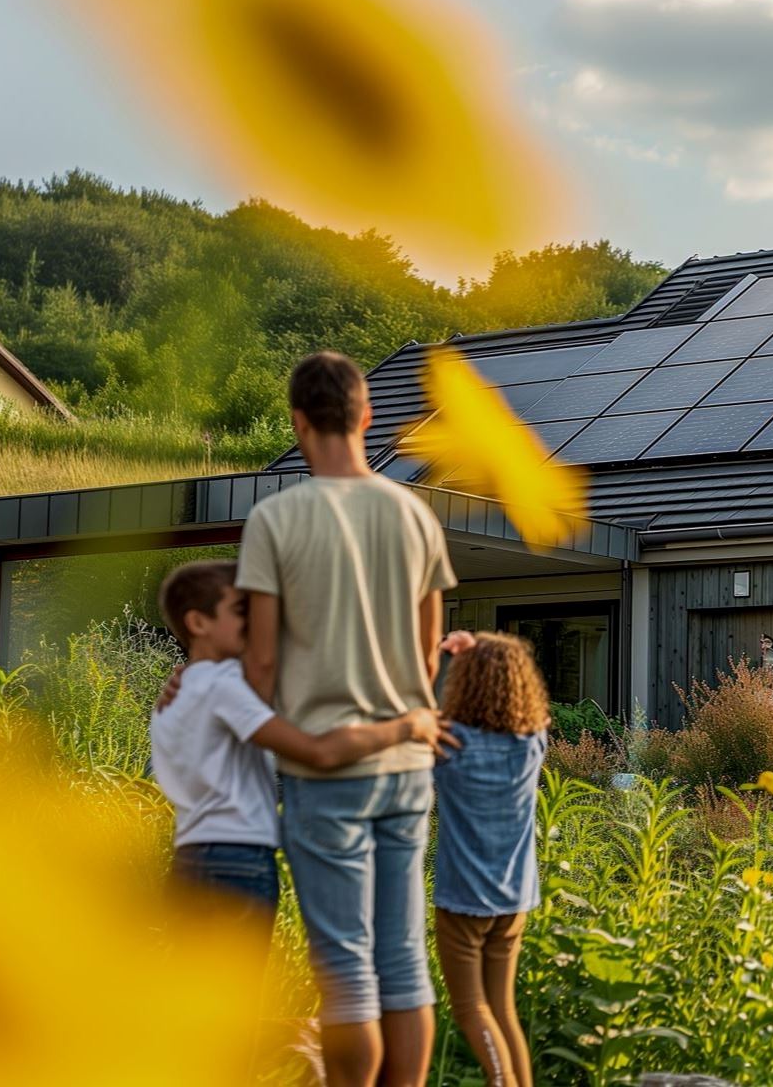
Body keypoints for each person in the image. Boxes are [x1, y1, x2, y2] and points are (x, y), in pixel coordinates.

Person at [236, 351, 472, 1087]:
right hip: (405, 763)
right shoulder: (414, 514)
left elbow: (263, 666)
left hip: (322, 768)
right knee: (401, 960)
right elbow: (430, 649)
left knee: (343, 968)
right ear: (366, 417)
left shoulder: (275, 518)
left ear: (298, 424)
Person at [149, 560, 445, 931]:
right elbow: (320, 751)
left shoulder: (183, 691)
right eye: (241, 611)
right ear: (198, 623)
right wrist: (407, 727)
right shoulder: (222, 685)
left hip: (190, 861)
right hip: (234, 865)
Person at [430, 632, 550, 1087]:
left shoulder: (450, 742)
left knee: (470, 1009)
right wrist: (484, 648)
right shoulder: (531, 742)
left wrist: (451, 654)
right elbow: (539, 717)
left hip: (463, 898)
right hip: (515, 898)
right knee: (502, 1009)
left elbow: (418, 717)